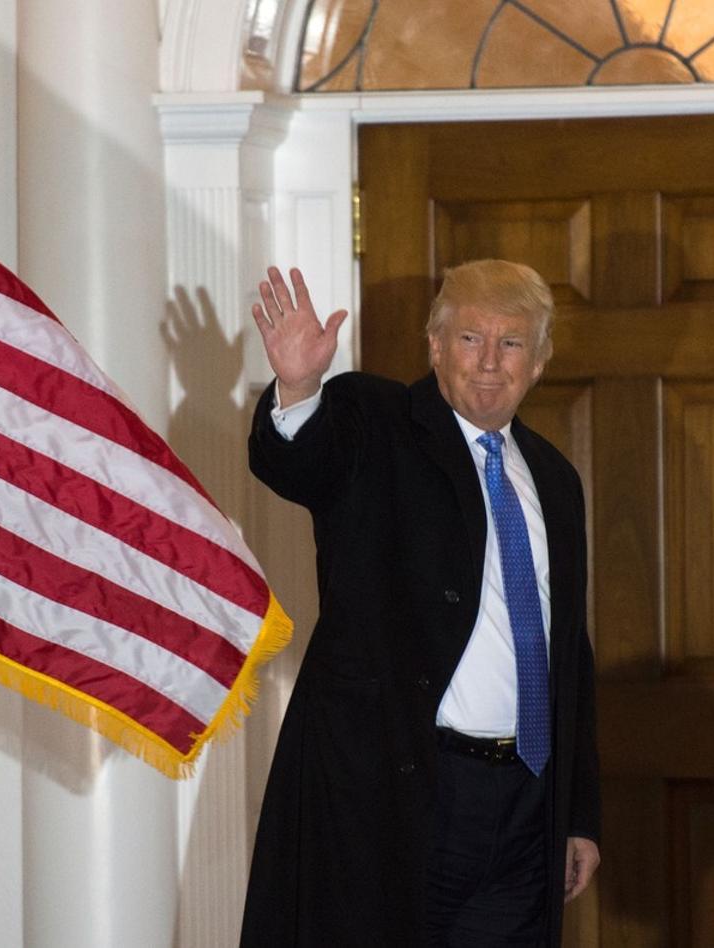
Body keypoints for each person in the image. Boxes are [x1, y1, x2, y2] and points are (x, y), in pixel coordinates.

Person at [240, 260, 600, 947]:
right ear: (435, 345)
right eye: (470, 339)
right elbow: (300, 461)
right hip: (402, 797)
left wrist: (577, 812)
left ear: (542, 359)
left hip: (527, 806)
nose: (490, 363)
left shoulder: (554, 476)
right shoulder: (376, 423)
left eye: (513, 343)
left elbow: (566, 651)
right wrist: (298, 386)